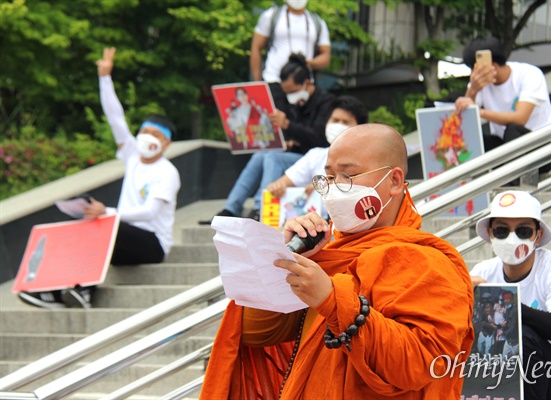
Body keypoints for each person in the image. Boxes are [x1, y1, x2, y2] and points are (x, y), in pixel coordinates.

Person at [200, 124, 474, 399]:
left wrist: (333, 300)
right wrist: (286, 259)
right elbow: (255, 333)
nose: (333, 188)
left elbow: (422, 364)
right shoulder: (327, 254)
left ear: (394, 181)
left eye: (349, 175)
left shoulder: (427, 261)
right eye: (329, 176)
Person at [17, 47, 181, 309]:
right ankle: (56, 292)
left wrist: (108, 211)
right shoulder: (131, 155)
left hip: (153, 244)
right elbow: (115, 117)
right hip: (122, 237)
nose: (148, 137)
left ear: (166, 143)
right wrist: (105, 77)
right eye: (145, 131)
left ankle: (83, 291)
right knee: (86, 227)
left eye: (156, 134)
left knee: (105, 225)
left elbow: (149, 212)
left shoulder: (167, 171)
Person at [470, 190, 551, 400]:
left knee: (523, 336)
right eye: (502, 230)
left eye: (523, 231)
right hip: (505, 375)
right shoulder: (483, 271)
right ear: (490, 234)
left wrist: (497, 299)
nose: (512, 239)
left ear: (537, 236)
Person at [201, 54, 335, 223]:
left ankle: (259, 207)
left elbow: (321, 139)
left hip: (315, 159)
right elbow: (301, 135)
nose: (290, 97)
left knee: (272, 157)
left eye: (293, 91)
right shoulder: (297, 103)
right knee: (261, 155)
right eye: (287, 93)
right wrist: (289, 141)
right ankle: (231, 208)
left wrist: (288, 125)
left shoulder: (327, 103)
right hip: (297, 154)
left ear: (307, 83)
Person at [455, 37, 551, 173]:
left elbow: (521, 118)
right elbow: (465, 122)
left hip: (541, 149)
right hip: (506, 147)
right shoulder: (478, 83)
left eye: (476, 69)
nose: (474, 75)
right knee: (472, 138)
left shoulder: (529, 74)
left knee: (513, 129)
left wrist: (480, 112)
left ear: (494, 67)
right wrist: (472, 90)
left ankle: (509, 185)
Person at [266, 95, 369, 199]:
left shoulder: (366, 160)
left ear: (359, 128)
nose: (338, 126)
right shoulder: (315, 156)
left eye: (345, 122)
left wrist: (326, 187)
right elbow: (283, 182)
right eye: (335, 120)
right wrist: (277, 187)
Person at [250, 0, 330, 113]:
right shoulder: (271, 16)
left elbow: (326, 55)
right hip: (274, 81)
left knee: (300, 127)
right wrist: (257, 84)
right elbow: (256, 47)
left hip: (303, 85)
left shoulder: (317, 22)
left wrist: (308, 63)